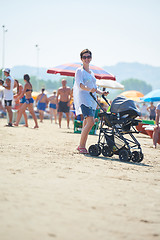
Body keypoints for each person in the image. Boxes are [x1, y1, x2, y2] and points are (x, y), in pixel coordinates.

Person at [73, 49, 109, 154]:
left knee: (86, 122)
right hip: (84, 99)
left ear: (91, 58)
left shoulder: (92, 73)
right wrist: (90, 90)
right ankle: (81, 146)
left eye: (88, 57)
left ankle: (80, 145)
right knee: (91, 122)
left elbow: (94, 88)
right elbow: (79, 85)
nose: (86, 59)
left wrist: (102, 93)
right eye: (84, 57)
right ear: (81, 59)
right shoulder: (79, 71)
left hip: (92, 100)